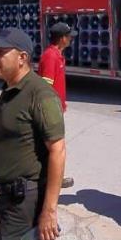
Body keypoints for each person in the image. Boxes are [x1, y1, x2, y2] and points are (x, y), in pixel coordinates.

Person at [0, 28, 66, 240]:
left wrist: (49, 211)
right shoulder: (9, 90)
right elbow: (0, 138)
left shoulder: (40, 94)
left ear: (22, 58)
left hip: (25, 200)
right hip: (6, 196)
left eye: (1, 52)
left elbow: (58, 151)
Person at [38, 22, 76, 189]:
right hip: (50, 111)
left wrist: (62, 104)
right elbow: (46, 87)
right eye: (69, 36)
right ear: (62, 39)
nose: (70, 39)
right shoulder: (50, 57)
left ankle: (52, 179)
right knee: (56, 148)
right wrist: (51, 110)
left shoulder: (57, 55)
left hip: (56, 108)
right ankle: (53, 181)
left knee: (53, 148)